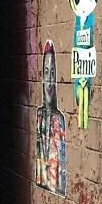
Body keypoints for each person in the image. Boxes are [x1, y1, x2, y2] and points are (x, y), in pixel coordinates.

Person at [35, 41, 67, 195]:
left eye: (53, 73)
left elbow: (61, 180)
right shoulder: (39, 116)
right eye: (46, 72)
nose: (49, 79)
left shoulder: (58, 119)